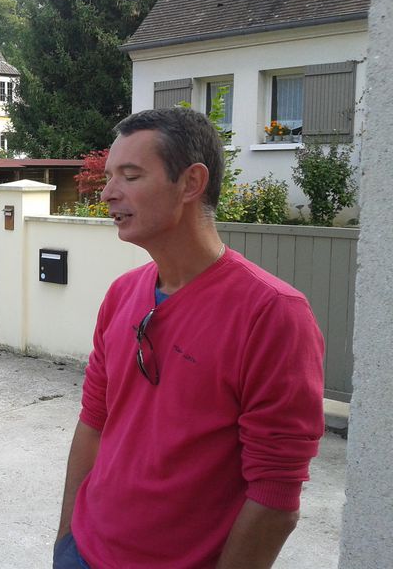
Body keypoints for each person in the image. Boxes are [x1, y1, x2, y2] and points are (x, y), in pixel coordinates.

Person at [54, 108, 325, 569]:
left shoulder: (273, 314)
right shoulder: (122, 294)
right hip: (83, 552)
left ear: (191, 182)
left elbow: (276, 495)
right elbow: (94, 423)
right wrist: (66, 540)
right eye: (110, 176)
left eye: (130, 176)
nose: (108, 192)